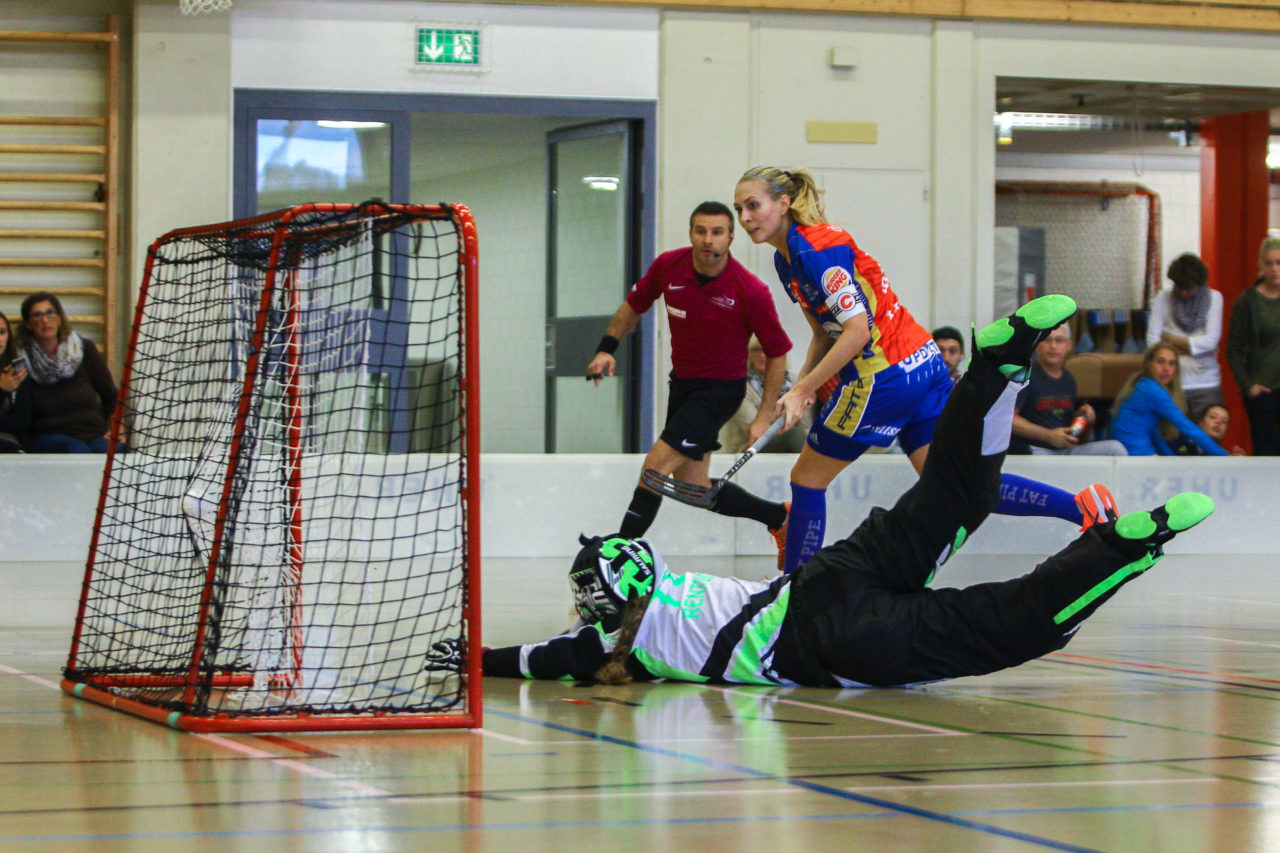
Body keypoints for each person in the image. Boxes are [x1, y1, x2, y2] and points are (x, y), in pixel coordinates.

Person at [440, 295, 1215, 688]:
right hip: (822, 579)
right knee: (954, 496)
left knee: (1001, 624)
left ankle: (1126, 546)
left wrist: (465, 658)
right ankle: (994, 368)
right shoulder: (667, 587)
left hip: (833, 638)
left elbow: (528, 660)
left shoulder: (612, 645)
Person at [732, 166, 1114, 574]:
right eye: (739, 209)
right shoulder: (786, 260)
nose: (745, 217)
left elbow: (857, 332)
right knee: (955, 482)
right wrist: (804, 388)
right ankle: (1082, 507)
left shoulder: (814, 251)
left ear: (784, 204)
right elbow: (824, 331)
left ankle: (793, 599)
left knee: (807, 479)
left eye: (753, 205)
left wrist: (802, 385)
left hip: (883, 378)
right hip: (924, 365)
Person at [586, 201, 792, 548]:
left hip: (719, 393)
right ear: (691, 234)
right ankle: (780, 518)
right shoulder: (669, 266)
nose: (707, 240)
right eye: (701, 231)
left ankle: (617, 556)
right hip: (683, 385)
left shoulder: (749, 290)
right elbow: (633, 306)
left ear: (730, 237)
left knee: (654, 469)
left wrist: (764, 414)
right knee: (693, 488)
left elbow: (778, 353)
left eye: (716, 232)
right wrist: (607, 347)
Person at [18, 292, 119, 453]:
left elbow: (111, 395)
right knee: (77, 450)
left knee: (115, 452)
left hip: (92, 433)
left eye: (50, 312)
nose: (45, 320)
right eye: (37, 315)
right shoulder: (23, 359)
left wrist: (117, 428)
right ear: (29, 324)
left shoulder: (84, 348)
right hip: (47, 436)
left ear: (59, 318)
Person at [1009, 325, 1127, 456]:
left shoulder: (1068, 379)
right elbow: (1009, 419)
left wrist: (1083, 419)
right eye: (1047, 340)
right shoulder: (1025, 375)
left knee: (1115, 448)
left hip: (1065, 450)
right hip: (1034, 449)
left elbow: (1078, 438)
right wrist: (1048, 436)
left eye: (1059, 340)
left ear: (1068, 346)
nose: (1053, 346)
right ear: (1037, 345)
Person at [1109, 343, 1229, 457]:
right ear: (1149, 363)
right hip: (1136, 456)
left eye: (1171, 364)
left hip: (1136, 454)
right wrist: (1225, 456)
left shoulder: (1141, 383)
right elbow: (1187, 428)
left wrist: (1172, 459)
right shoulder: (1152, 390)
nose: (1166, 368)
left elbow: (1154, 433)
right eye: (1161, 362)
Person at [1146, 252, 1223, 414]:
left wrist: (1170, 339)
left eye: (1189, 288)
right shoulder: (1163, 298)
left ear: (1199, 284)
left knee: (1206, 436)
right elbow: (1153, 342)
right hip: (1172, 382)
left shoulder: (1215, 298)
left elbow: (1211, 341)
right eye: (1179, 287)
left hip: (1206, 383)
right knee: (1171, 435)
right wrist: (1193, 345)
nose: (1183, 293)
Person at [1226, 234, 1280, 456]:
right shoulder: (1247, 302)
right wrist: (1248, 385)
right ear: (1261, 265)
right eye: (1269, 263)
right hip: (1263, 390)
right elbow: (1233, 349)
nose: (1275, 268)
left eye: (1279, 263)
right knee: (1266, 452)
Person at [717, 335, 811, 455]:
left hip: (791, 443)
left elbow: (807, 424)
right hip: (749, 448)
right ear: (748, 354)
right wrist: (788, 420)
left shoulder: (795, 382)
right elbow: (754, 431)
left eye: (768, 350)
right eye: (757, 350)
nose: (762, 355)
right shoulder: (739, 385)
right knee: (795, 435)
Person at [0, 311, 31, 453]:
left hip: (11, 446)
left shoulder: (16, 371)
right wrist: (2, 390)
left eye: (2, 332)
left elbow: (23, 422)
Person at [1170, 403, 1245, 456]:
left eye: (1224, 421)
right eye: (1213, 417)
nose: (1218, 422)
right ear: (1201, 422)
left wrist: (1236, 463)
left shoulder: (1220, 457)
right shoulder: (1179, 444)